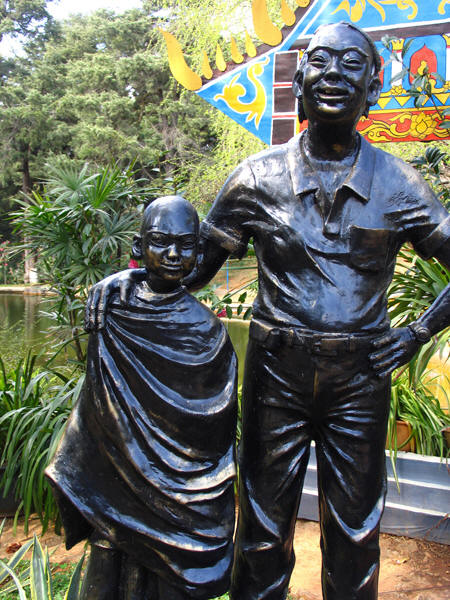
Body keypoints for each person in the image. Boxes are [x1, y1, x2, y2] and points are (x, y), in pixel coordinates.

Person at [84, 22, 450, 600]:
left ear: (374, 87)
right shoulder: (255, 177)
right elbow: (192, 269)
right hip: (276, 375)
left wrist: (418, 332)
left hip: (360, 378)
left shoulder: (401, 184)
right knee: (261, 529)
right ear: (297, 83)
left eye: (351, 63)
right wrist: (128, 284)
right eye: (319, 61)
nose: (333, 74)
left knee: (355, 532)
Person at [46, 196, 238, 600]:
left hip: (182, 491)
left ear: (199, 252)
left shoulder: (208, 332)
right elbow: (99, 406)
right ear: (139, 246)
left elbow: (213, 432)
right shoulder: (113, 310)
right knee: (108, 563)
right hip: (116, 475)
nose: (173, 254)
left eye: (186, 244)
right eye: (160, 241)